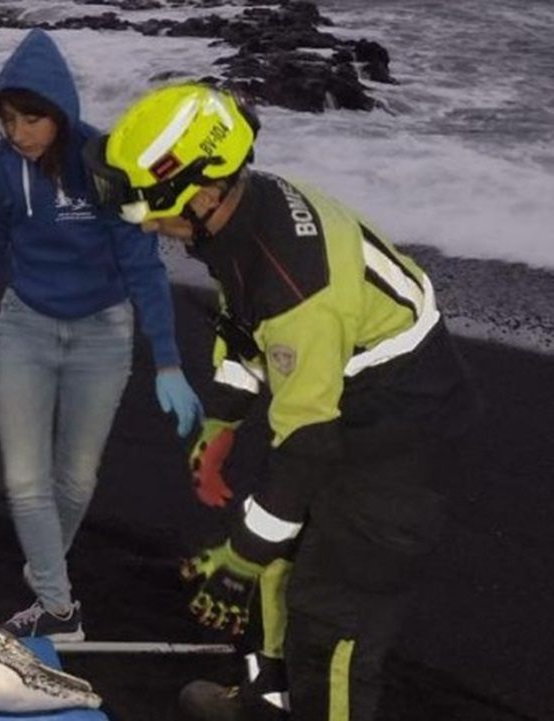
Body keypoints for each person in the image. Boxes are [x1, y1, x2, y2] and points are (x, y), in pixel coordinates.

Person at [86, 82, 479, 720]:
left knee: (332, 614)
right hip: (337, 390)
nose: (144, 225)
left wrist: (239, 555)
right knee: (277, 560)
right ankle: (266, 702)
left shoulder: (298, 283)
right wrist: (222, 419)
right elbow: (246, 329)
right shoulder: (239, 220)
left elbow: (309, 447)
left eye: (142, 210)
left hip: (403, 426)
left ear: (205, 193)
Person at [0, 29, 201, 641]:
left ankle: (46, 574)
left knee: (76, 478)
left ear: (61, 110)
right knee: (24, 479)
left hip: (102, 332)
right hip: (25, 328)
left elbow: (143, 263)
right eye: (9, 118)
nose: (19, 132)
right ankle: (62, 611)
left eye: (32, 117)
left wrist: (167, 360)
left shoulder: (107, 165)